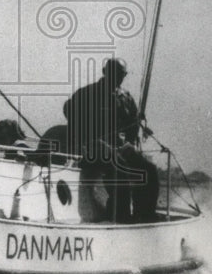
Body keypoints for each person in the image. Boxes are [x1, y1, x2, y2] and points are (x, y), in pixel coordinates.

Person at [63, 58, 159, 223]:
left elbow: (132, 125)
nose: (118, 78)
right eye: (114, 74)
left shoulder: (126, 97)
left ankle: (144, 214)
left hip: (120, 148)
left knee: (149, 170)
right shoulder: (87, 93)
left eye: (121, 75)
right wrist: (87, 139)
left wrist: (135, 134)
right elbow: (69, 111)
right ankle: (119, 216)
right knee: (119, 168)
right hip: (94, 150)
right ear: (104, 72)